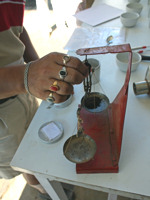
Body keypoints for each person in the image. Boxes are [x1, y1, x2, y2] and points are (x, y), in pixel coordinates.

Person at [0, 0, 88, 199]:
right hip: (3, 109)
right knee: (25, 162)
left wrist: (35, 65)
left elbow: (15, 27)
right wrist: (26, 77)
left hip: (24, 91)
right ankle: (44, 191)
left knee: (39, 145)